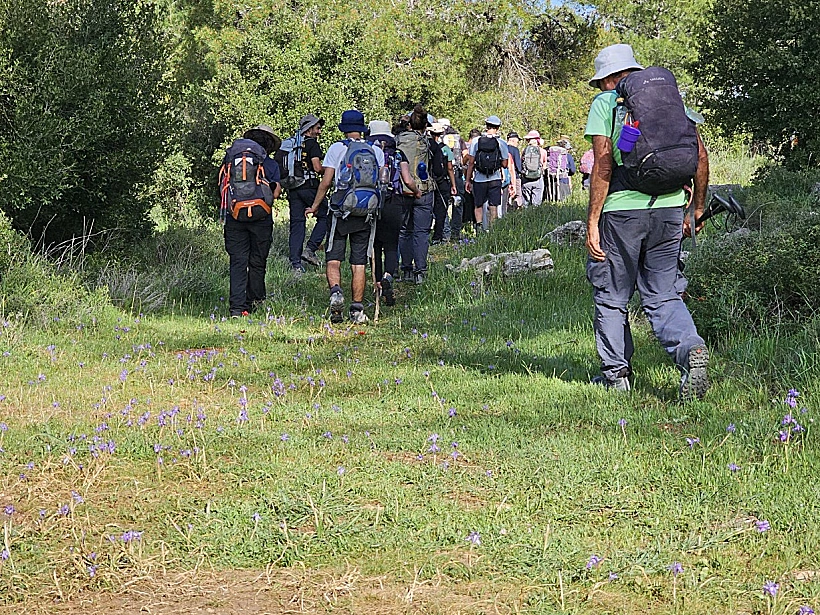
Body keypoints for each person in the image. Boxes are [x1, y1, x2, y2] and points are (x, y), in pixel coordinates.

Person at [584, 43, 710, 400]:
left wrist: (593, 221)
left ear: (610, 77)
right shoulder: (671, 101)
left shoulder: (606, 104)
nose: (601, 89)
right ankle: (690, 349)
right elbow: (700, 157)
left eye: (600, 83)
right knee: (663, 295)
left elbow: (603, 165)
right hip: (670, 209)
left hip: (623, 211)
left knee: (611, 296)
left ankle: (616, 377)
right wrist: (696, 208)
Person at [307, 110, 384, 324]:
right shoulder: (376, 150)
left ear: (344, 128)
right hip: (366, 211)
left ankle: (336, 294)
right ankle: (357, 310)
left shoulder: (337, 148)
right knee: (359, 262)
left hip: (341, 210)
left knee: (333, 258)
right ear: (362, 129)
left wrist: (314, 206)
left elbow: (326, 182)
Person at [220, 125, 282, 317]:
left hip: (235, 217)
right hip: (261, 219)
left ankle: (236, 309)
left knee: (238, 262)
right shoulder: (270, 164)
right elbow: (276, 193)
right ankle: (254, 303)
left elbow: (223, 186)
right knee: (257, 261)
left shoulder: (231, 160)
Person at [396, 105, 437, 284]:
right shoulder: (426, 142)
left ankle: (406, 269)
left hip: (404, 190)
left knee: (404, 230)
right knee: (421, 232)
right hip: (424, 189)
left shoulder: (399, 140)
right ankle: (420, 270)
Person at [283, 114, 325, 276]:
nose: (319, 131)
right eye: (317, 128)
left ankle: (296, 265)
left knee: (297, 224)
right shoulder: (312, 144)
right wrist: (327, 172)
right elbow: (316, 167)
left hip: (293, 187)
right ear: (309, 129)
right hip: (309, 187)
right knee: (326, 214)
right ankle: (310, 249)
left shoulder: (292, 145)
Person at [367, 119, 402, 306]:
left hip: (372, 202)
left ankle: (378, 283)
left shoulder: (368, 151)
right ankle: (389, 276)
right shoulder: (397, 154)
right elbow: (406, 179)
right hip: (393, 202)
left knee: (375, 248)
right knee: (391, 245)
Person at [465, 116, 509, 231]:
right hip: (495, 178)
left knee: (478, 204)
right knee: (493, 205)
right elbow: (505, 164)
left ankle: (479, 228)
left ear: (486, 126)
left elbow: (471, 162)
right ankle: (492, 230)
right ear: (498, 128)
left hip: (479, 178)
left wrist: (468, 180)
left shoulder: (476, 141)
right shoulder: (501, 143)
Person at [430, 122, 457, 244]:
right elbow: (450, 168)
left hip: (429, 182)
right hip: (442, 182)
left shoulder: (426, 147)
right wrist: (453, 185)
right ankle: (438, 236)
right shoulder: (445, 149)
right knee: (442, 209)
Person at [439, 118, 466, 241]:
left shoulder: (438, 138)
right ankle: (456, 232)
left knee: (442, 204)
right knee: (458, 203)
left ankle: (445, 233)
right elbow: (465, 155)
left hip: (442, 175)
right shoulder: (458, 138)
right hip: (457, 174)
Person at [520, 130, 547, 207]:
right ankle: (535, 216)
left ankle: (525, 216)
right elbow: (544, 166)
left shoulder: (524, 150)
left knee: (525, 203)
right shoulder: (543, 151)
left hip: (526, 179)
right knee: (536, 204)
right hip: (538, 178)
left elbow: (521, 163)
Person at [545, 137, 576, 201]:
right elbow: (572, 170)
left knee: (551, 200)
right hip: (563, 180)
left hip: (550, 179)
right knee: (563, 201)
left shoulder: (551, 154)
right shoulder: (568, 156)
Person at [506, 131, 523, 211]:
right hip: (514, 175)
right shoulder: (515, 150)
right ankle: (516, 211)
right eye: (517, 141)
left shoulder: (502, 147)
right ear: (512, 140)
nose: (517, 143)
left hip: (504, 176)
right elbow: (518, 165)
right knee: (517, 195)